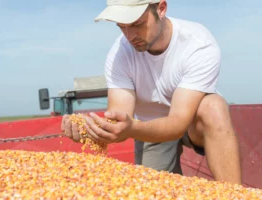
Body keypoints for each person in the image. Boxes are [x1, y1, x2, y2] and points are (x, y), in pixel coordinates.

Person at [62, 0, 242, 185]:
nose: (130, 36)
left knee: (213, 106)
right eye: (122, 27)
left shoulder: (198, 44)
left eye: (137, 24)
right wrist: (92, 130)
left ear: (161, 8)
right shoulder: (119, 55)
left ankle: (235, 194)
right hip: (150, 129)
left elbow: (178, 122)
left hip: (189, 122)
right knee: (151, 190)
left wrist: (132, 129)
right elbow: (119, 119)